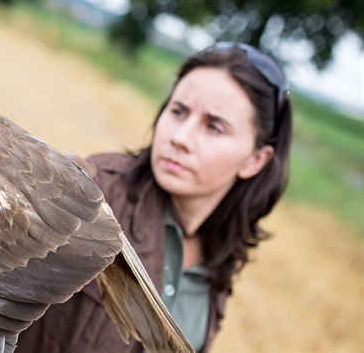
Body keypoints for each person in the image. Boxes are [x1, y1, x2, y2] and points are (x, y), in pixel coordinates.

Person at [15, 42, 293, 353]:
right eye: (178, 111)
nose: (180, 137)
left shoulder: (221, 256)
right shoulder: (87, 194)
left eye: (214, 127)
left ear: (255, 159)